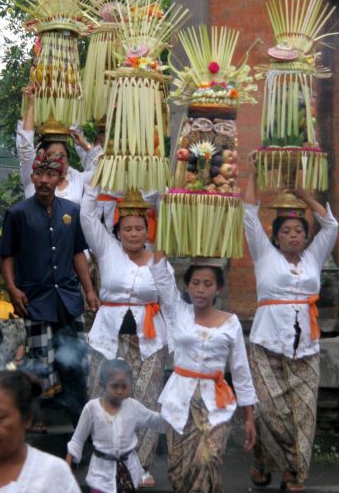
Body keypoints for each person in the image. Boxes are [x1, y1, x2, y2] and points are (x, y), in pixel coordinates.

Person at [243, 152, 339, 492]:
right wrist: (253, 177)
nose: (295, 235)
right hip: (267, 344)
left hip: (307, 347)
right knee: (271, 413)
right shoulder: (264, 256)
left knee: (304, 416)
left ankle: (295, 473)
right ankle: (262, 461)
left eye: (300, 230)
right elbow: (249, 216)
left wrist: (302, 195)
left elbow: (331, 225)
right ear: (277, 235)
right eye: (287, 231)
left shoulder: (314, 257)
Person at [0, 150, 100, 426]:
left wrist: (89, 290)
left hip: (68, 297)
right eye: (39, 174)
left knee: (76, 360)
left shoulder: (71, 211)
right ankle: (37, 419)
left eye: (50, 175)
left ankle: (80, 423)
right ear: (32, 176)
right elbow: (6, 254)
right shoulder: (17, 213)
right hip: (36, 299)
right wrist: (12, 288)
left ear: (60, 177)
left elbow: (78, 253)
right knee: (40, 362)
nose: (44, 180)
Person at [80, 183, 171, 487]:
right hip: (109, 338)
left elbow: (169, 298)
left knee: (145, 401)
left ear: (148, 231)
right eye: (128, 228)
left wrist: (156, 183)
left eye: (139, 228)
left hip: (149, 341)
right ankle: (107, 465)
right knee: (102, 399)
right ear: (118, 231)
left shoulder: (159, 258)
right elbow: (87, 215)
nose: (133, 234)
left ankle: (140, 465)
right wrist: (97, 176)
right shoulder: (106, 249)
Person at [149, 251, 257, 493]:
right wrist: (165, 236)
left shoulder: (231, 322)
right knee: (179, 470)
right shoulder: (178, 311)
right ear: (186, 286)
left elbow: (241, 371)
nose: (200, 289)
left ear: (218, 289)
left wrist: (249, 417)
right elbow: (159, 273)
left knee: (206, 460)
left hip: (215, 403)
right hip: (179, 400)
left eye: (207, 284)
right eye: (195, 283)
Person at [66, 359, 165, 493]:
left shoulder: (133, 406)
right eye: (114, 386)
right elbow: (77, 440)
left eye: (124, 386)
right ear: (103, 385)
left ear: (130, 385)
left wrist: (175, 412)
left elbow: (156, 421)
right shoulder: (91, 408)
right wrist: (66, 468)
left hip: (128, 473)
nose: (120, 391)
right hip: (100, 474)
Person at [17, 85, 101, 203]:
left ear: (68, 159)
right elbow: (26, 147)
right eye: (51, 155)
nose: (57, 159)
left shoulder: (77, 178)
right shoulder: (34, 177)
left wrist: (85, 146)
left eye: (61, 155)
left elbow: (103, 172)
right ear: (41, 157)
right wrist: (30, 105)